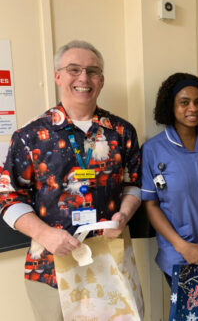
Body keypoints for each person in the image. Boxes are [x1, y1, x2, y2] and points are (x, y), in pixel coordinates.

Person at [0, 40, 141, 320]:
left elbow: (132, 183)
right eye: (73, 69)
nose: (83, 78)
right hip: (52, 266)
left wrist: (124, 214)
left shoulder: (121, 132)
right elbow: (8, 196)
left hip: (110, 260)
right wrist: (44, 234)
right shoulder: (29, 136)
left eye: (92, 71)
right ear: (58, 76)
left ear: (101, 80)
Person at [142, 73, 198, 285]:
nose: (193, 108)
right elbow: (151, 205)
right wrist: (181, 246)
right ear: (171, 106)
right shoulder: (154, 149)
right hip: (180, 256)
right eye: (184, 102)